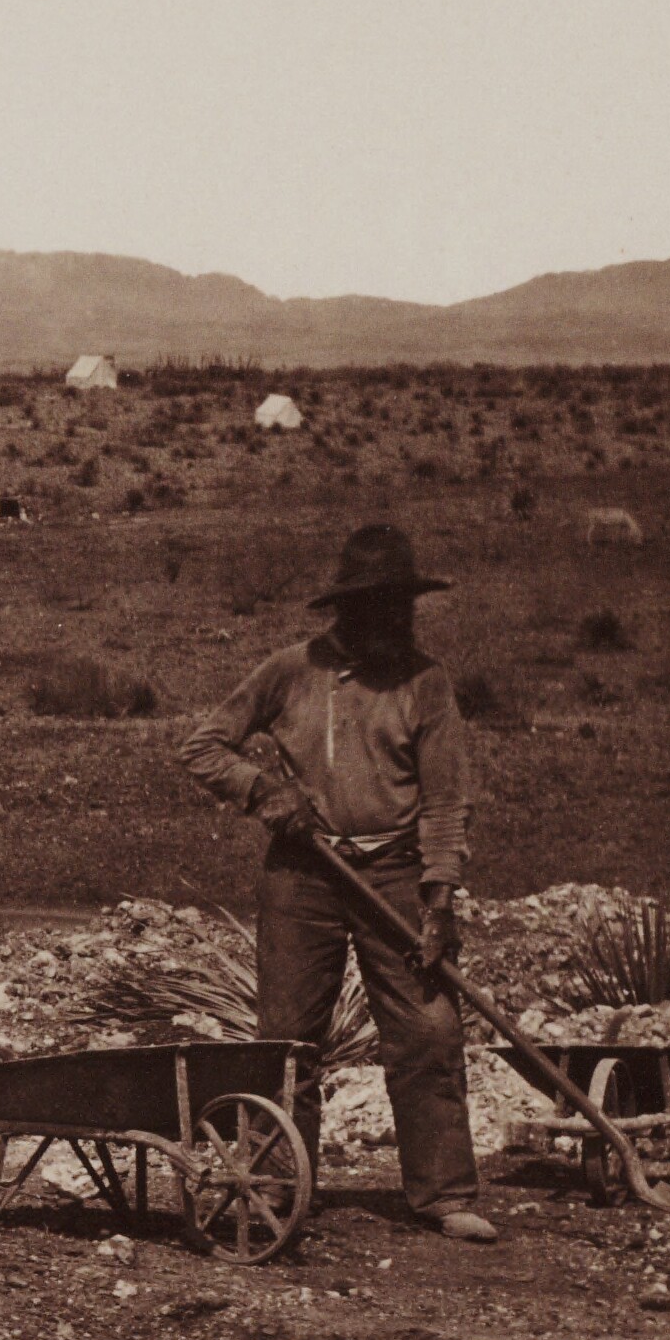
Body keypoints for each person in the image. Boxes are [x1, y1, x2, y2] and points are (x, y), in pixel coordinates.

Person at [179, 524, 494, 1240]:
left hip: (396, 875)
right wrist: (263, 792)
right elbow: (200, 747)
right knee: (288, 1039)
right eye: (379, 606)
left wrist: (440, 896)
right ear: (347, 609)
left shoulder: (427, 683)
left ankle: (445, 1194)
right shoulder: (291, 671)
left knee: (429, 1029)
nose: (395, 620)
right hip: (305, 873)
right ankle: (278, 1184)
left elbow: (447, 801)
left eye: (403, 605)